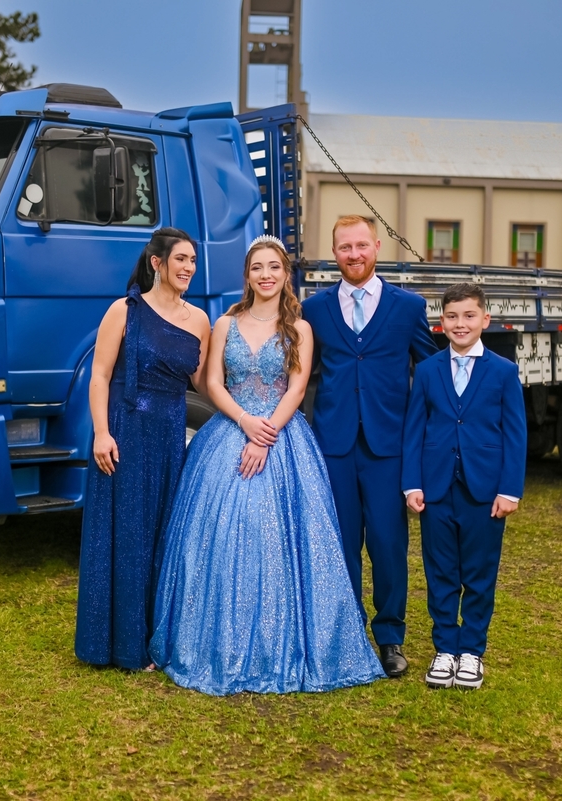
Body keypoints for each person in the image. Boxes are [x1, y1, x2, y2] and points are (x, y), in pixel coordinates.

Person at [149, 235, 385, 695]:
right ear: (247, 275)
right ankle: (211, 642)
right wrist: (243, 422)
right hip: (230, 432)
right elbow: (212, 382)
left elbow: (296, 390)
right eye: (257, 268)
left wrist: (267, 434)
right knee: (216, 537)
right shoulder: (225, 322)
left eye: (274, 268)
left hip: (281, 437)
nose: (266, 276)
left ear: (285, 274)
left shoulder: (300, 328)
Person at [300, 215, 438, 678]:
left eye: (361, 245)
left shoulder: (407, 308)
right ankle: (347, 632)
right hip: (333, 444)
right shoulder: (314, 310)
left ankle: (390, 636)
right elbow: (300, 374)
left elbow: (432, 371)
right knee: (340, 544)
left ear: (377, 246)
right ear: (333, 252)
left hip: (388, 446)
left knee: (387, 543)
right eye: (344, 247)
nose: (354, 254)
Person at [74, 228, 212, 671]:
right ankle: (117, 643)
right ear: (158, 263)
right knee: (126, 535)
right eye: (182, 259)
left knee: (162, 535)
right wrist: (100, 432)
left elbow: (207, 384)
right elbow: (99, 375)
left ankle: (155, 638)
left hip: (171, 437)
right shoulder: (125, 311)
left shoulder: (200, 321)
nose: (189, 267)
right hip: (124, 432)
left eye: (193, 260)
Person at [402, 282, 527, 690]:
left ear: (485, 320)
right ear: (442, 323)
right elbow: (415, 429)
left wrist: (509, 490)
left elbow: (515, 433)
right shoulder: (428, 370)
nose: (461, 324)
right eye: (452, 317)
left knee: (478, 573)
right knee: (440, 572)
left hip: (485, 491)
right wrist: (411, 483)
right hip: (436, 489)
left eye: (469, 316)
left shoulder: (504, 372)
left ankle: (472, 650)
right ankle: (445, 649)